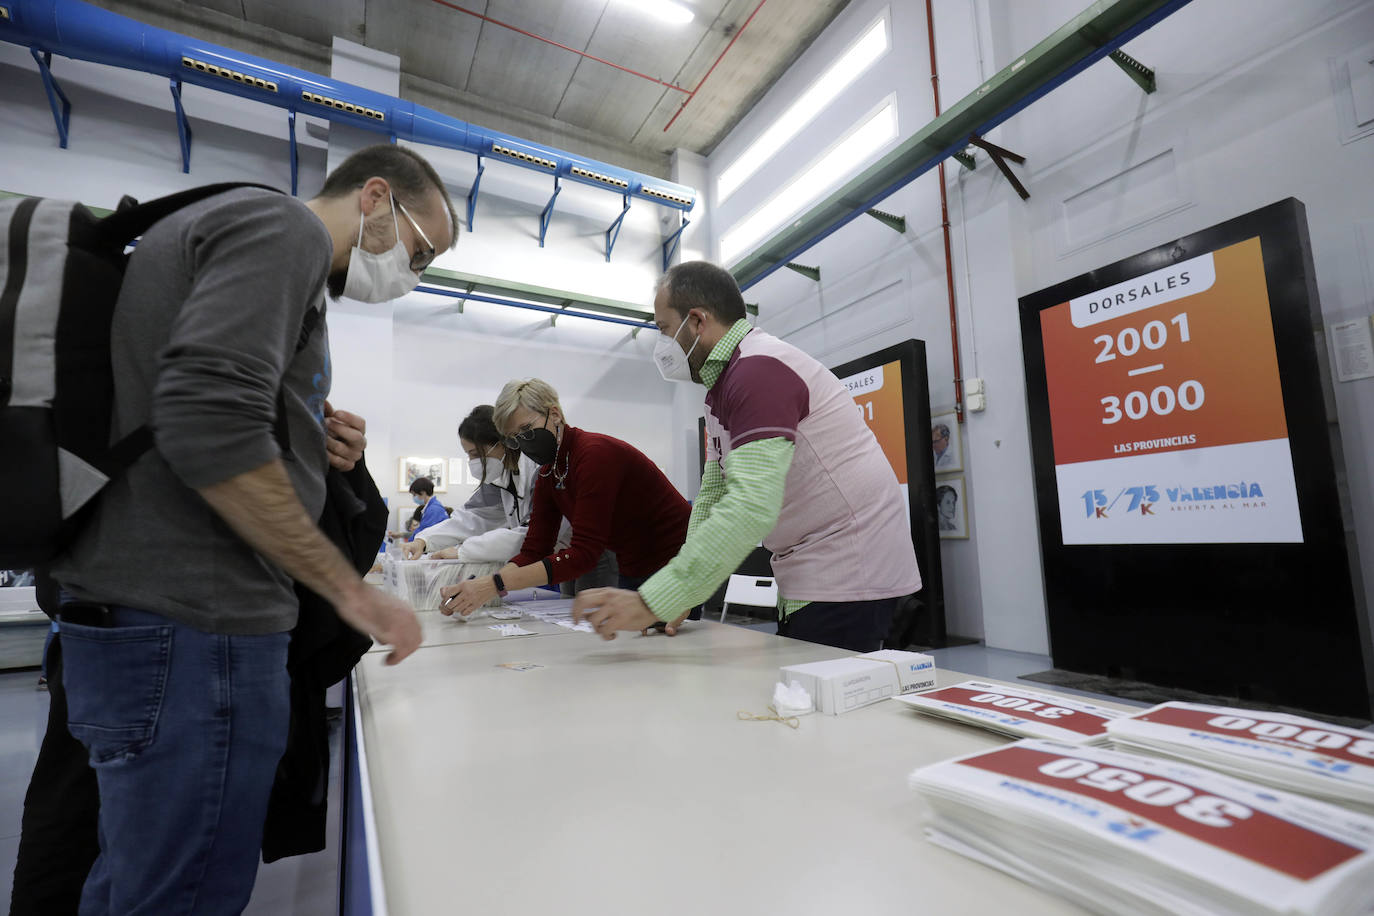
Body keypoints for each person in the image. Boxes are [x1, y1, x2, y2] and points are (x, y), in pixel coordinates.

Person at [35, 143, 453, 914]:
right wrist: (348, 592)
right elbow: (211, 422)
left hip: (158, 621)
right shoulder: (281, 230)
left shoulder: (238, 234)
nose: (413, 274)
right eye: (423, 252)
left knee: (135, 882)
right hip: (196, 625)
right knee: (180, 895)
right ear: (374, 200)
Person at [573, 260, 921, 652]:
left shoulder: (758, 371)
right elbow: (713, 495)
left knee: (821, 702)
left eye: (664, 329)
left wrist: (653, 599)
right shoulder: (720, 388)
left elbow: (751, 505)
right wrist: (681, 592)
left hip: (850, 569)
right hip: (810, 566)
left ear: (697, 322)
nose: (662, 344)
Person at [437, 379, 691, 625]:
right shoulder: (550, 471)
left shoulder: (594, 455)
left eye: (526, 430)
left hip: (677, 562)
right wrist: (486, 584)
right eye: (515, 438)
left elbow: (585, 553)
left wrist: (493, 584)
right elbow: (535, 548)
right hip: (635, 564)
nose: (524, 443)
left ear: (555, 414)